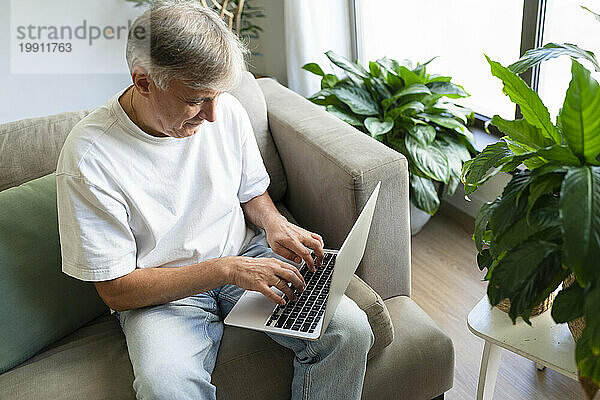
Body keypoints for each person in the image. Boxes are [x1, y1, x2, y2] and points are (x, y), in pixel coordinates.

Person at [56, 2, 373, 399]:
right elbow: (117, 290)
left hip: (248, 256)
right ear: (143, 82)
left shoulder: (225, 111)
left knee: (349, 330)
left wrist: (275, 225)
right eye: (194, 100)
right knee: (165, 387)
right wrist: (225, 270)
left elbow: (252, 193)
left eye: (218, 96)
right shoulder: (89, 158)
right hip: (163, 296)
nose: (211, 115)